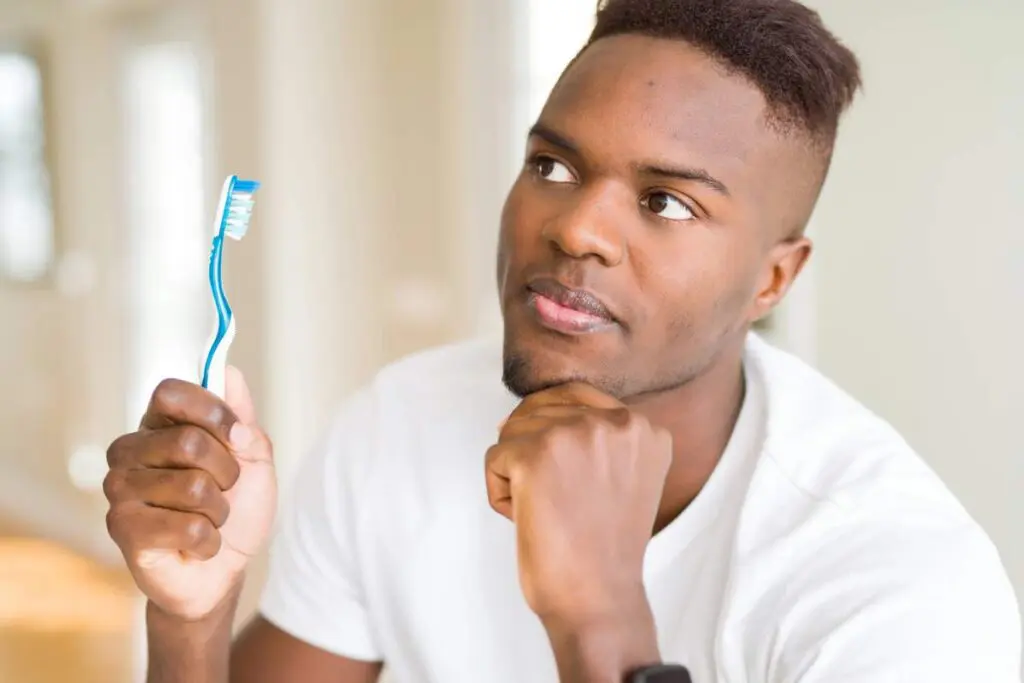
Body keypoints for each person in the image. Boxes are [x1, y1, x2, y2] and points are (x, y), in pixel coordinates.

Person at [103, 0, 1022, 681]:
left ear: (773, 279)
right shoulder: (398, 424)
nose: (576, 227)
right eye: (552, 164)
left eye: (667, 201)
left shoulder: (901, 588)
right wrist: (191, 618)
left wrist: (598, 615)